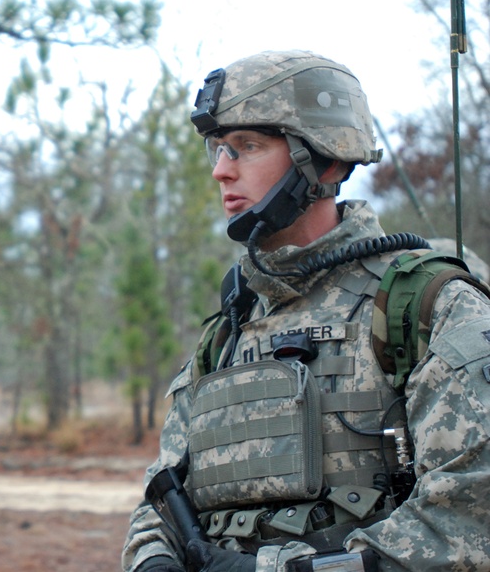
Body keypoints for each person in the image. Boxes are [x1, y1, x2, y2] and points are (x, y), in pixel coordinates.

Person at [121, 50, 490, 572]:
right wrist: (154, 560)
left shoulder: (426, 304)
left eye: (247, 147)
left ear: (326, 159)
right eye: (218, 149)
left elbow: (470, 516)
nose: (221, 172)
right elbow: (162, 496)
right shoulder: (233, 326)